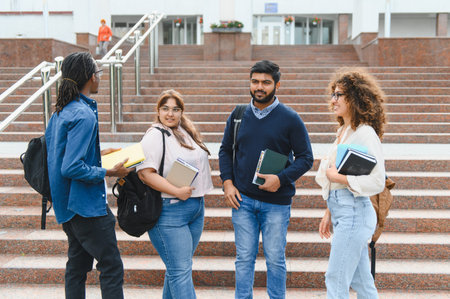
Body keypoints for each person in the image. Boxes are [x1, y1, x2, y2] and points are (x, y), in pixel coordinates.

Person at [219, 60, 314, 299]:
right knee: (243, 260)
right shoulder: (238, 115)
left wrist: (281, 179)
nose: (259, 87)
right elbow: (225, 151)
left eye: (266, 82)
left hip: (276, 204)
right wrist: (227, 182)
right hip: (243, 201)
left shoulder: (290, 118)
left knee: (275, 260)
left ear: (277, 85)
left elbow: (306, 158)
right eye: (255, 81)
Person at [45, 52, 132, 298]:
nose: (99, 78)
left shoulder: (61, 112)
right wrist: (110, 171)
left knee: (77, 267)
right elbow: (70, 167)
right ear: (92, 77)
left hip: (67, 206)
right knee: (111, 266)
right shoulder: (83, 114)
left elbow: (62, 157)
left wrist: (99, 153)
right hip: (85, 206)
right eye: (99, 73)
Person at [315, 68, 387, 299]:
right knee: (362, 281)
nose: (333, 100)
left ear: (355, 99)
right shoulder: (344, 131)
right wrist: (329, 210)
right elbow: (336, 180)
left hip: (354, 212)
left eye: (339, 95)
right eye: (333, 94)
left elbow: (377, 180)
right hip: (343, 210)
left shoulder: (365, 133)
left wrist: (339, 178)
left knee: (336, 278)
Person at [137, 89, 213, 299]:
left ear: (181, 112)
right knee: (180, 272)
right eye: (165, 109)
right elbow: (145, 174)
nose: (170, 114)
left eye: (175, 109)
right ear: (158, 111)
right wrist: (176, 191)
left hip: (195, 208)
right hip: (170, 212)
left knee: (178, 270)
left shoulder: (184, 131)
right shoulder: (154, 135)